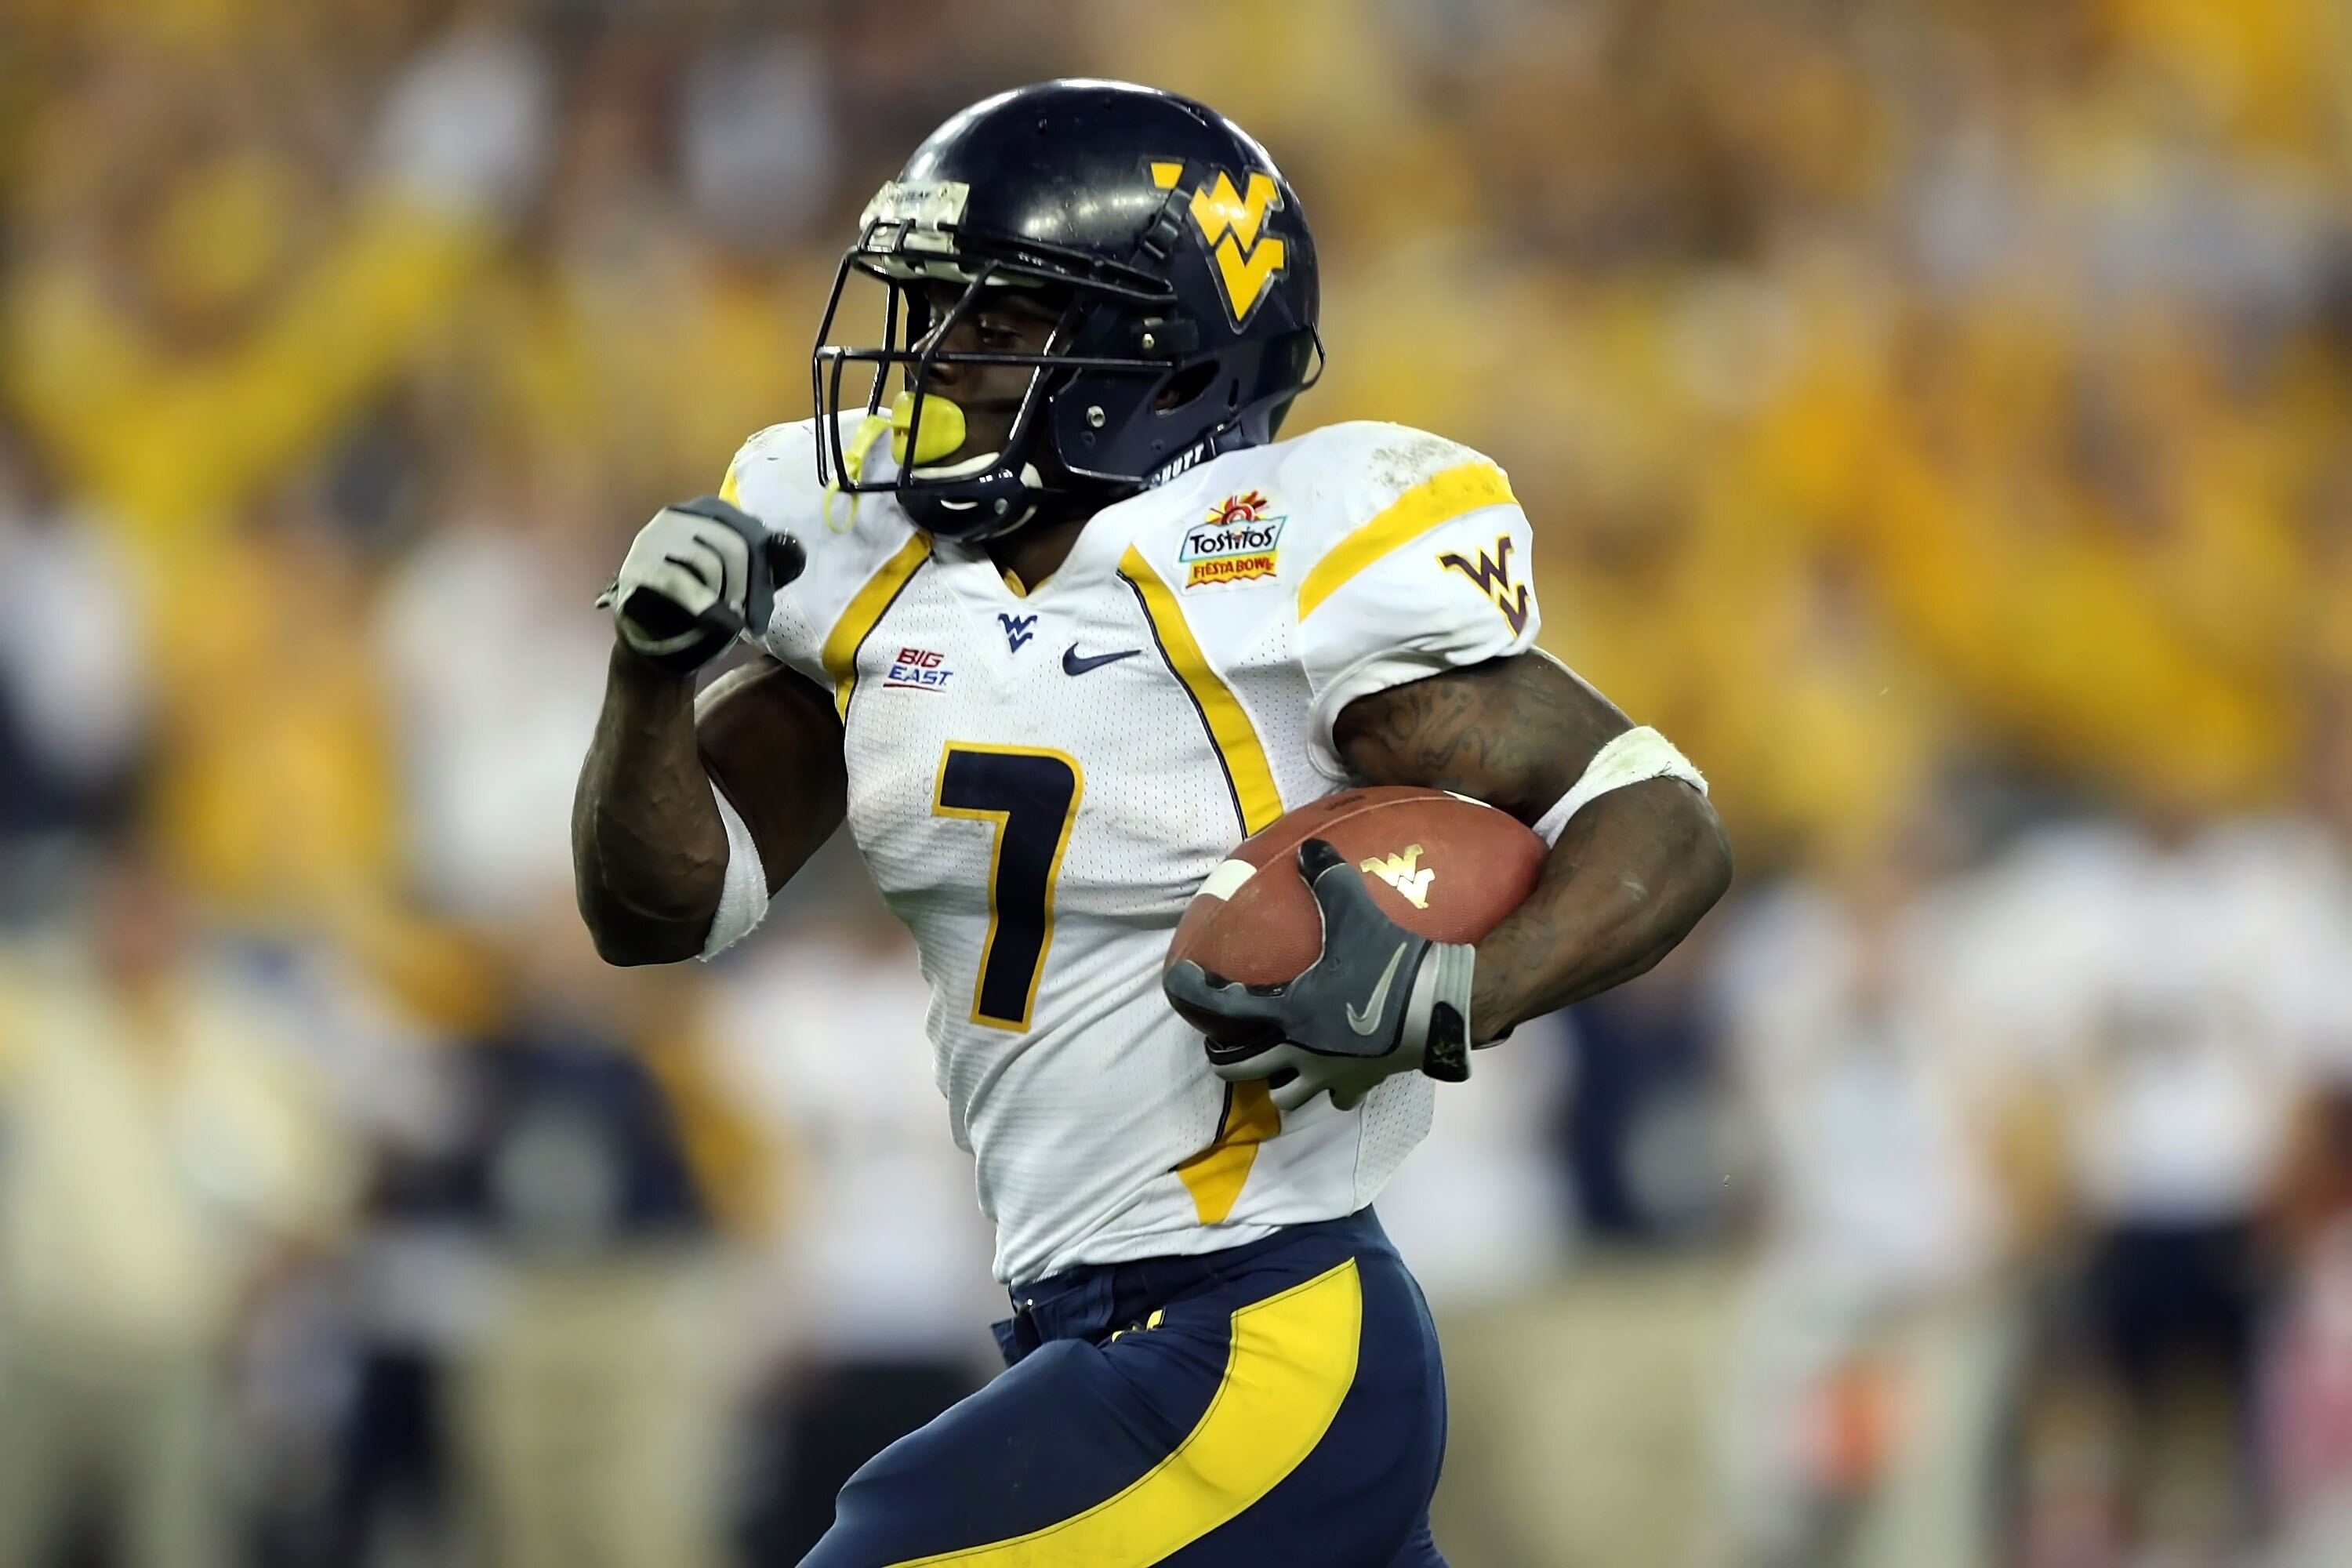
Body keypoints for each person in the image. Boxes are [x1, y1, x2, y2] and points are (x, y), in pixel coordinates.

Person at [572, 79, 1731, 1566]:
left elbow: (1657, 815)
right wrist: (648, 680)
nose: (931, 359)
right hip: (1092, 1330)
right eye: (930, 311)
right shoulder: (870, 570)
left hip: (1255, 1330)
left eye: (996, 321)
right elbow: (661, 909)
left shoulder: (1278, 570)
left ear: (1153, 356)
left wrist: (1464, 989)